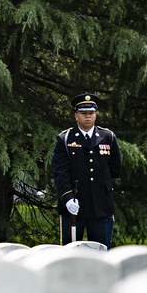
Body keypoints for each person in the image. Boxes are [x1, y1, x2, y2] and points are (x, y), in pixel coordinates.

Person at [52, 92, 122, 248]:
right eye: (83, 113)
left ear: (96, 115)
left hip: (101, 205)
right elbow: (60, 172)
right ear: (76, 115)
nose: (88, 116)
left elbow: (115, 169)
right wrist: (67, 198)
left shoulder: (107, 137)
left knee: (101, 251)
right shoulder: (65, 139)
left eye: (91, 113)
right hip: (74, 205)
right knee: (70, 253)